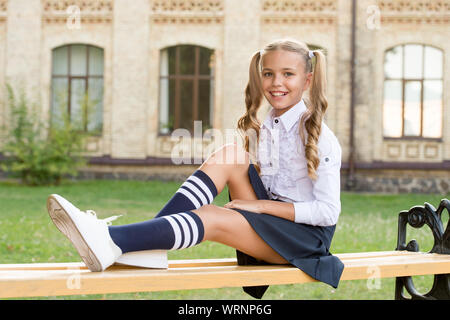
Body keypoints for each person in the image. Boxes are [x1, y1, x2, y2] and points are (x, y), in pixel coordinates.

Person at [47, 38, 344, 299]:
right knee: (231, 153)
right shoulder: (270, 124)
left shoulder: (320, 136)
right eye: (268, 74)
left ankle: (113, 240)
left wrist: (263, 207)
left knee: (213, 215)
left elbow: (328, 212)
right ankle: (148, 250)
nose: (276, 83)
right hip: (275, 225)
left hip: (303, 242)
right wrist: (259, 198)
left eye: (287, 74)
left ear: (307, 80)